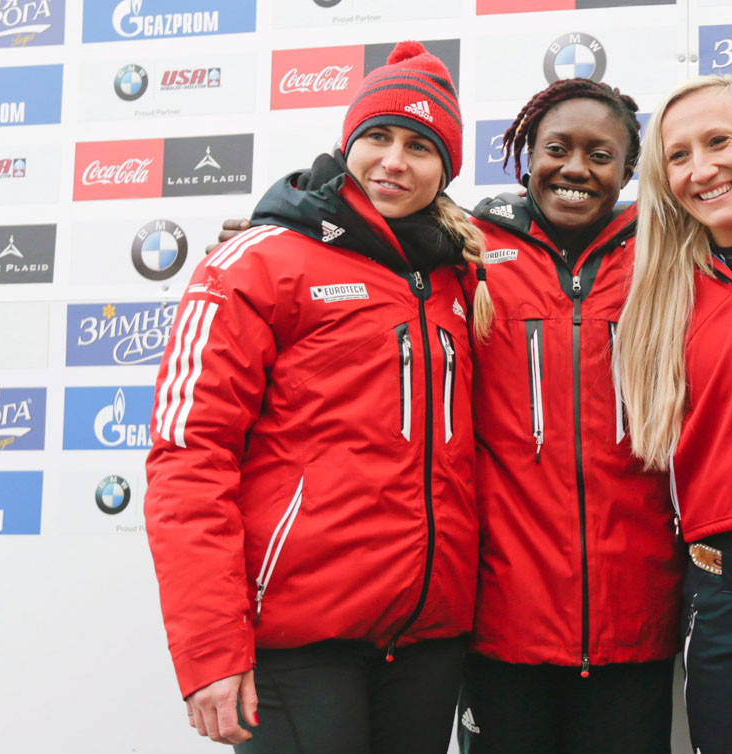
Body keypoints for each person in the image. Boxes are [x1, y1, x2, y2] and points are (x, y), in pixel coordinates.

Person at [144, 41, 486, 754]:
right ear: (347, 143)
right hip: (300, 646)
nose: (395, 160)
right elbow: (189, 460)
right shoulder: (258, 263)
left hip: (427, 645)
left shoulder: (459, 275)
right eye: (379, 137)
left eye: (421, 146)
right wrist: (211, 649)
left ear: (446, 169)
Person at [458, 77, 682, 754]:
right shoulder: (466, 250)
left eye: (600, 154)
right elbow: (360, 245)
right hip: (503, 620)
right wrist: (277, 226)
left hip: (635, 620)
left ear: (628, 170)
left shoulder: (668, 253)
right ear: (526, 154)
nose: (576, 169)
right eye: (557, 148)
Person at [616, 75, 732, 754]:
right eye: (679, 155)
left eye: (719, 141)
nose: (702, 169)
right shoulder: (657, 280)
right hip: (719, 592)